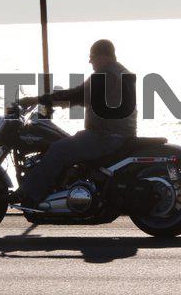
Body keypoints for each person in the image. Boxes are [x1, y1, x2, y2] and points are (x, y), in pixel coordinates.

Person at [15, 39, 137, 207]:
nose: (90, 61)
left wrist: (38, 99)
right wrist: (53, 103)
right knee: (65, 143)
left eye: (92, 57)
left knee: (57, 150)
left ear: (103, 56)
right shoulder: (121, 73)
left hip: (105, 136)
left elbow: (77, 94)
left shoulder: (106, 75)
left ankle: (29, 196)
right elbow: (83, 98)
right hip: (118, 134)